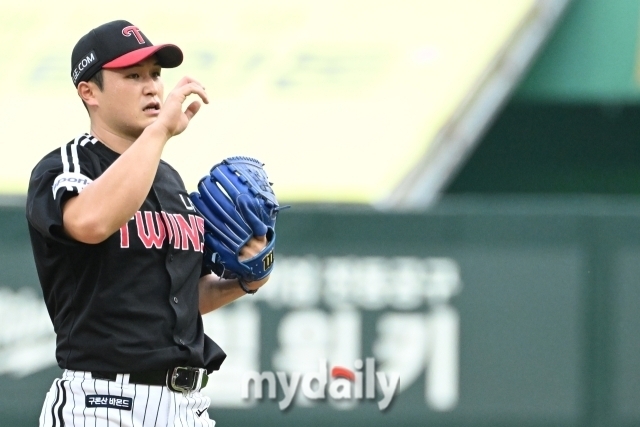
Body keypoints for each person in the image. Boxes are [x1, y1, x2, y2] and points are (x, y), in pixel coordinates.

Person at [26, 19, 269, 427]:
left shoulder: (170, 181)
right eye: (133, 75)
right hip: (101, 403)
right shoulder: (68, 166)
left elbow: (179, 299)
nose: (152, 86)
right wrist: (160, 131)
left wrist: (246, 280)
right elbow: (90, 222)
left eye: (155, 74)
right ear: (89, 91)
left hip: (186, 405)